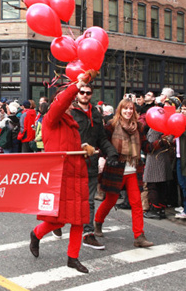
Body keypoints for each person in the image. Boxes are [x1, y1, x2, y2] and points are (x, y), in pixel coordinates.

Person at [29, 73, 95, 274]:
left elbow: (70, 146)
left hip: (76, 174)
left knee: (79, 218)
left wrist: (84, 147)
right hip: (59, 176)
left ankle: (72, 258)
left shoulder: (71, 124)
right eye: (66, 100)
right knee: (58, 219)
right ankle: (36, 234)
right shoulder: (50, 118)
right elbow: (60, 103)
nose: (69, 104)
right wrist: (77, 85)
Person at [93, 98, 154, 248]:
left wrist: (164, 142)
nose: (128, 111)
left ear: (134, 111)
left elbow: (146, 147)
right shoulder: (111, 126)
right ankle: (98, 222)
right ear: (120, 110)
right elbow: (103, 146)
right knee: (110, 201)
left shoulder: (139, 127)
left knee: (136, 203)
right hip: (115, 169)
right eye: (125, 108)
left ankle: (139, 236)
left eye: (131, 109)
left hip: (133, 170)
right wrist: (102, 158)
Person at [69, 84, 118, 250]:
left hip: (90, 164)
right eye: (81, 92)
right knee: (68, 199)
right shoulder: (69, 111)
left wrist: (112, 153)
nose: (84, 95)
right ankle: (53, 225)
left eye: (88, 92)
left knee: (89, 201)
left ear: (91, 94)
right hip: (71, 163)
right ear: (77, 93)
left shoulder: (96, 113)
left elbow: (102, 138)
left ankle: (87, 233)